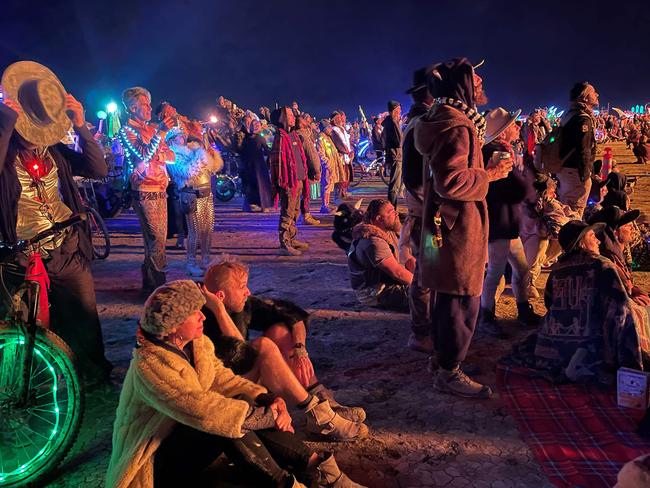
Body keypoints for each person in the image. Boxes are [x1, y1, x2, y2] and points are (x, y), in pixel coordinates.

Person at [106, 280, 365, 488]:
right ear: (173, 326)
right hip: (154, 457)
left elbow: (224, 378)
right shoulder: (150, 365)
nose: (202, 317)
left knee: (239, 405)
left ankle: (315, 467)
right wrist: (267, 416)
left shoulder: (196, 343)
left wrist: (268, 400)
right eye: (194, 313)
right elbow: (201, 409)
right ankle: (284, 482)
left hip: (185, 432)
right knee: (222, 422)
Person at [0, 61, 112, 383]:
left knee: (83, 315)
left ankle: (91, 375)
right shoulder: (6, 151)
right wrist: (6, 123)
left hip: (66, 246)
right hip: (20, 252)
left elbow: (97, 169)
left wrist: (81, 126)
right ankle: (31, 384)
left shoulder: (57, 153)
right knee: (23, 323)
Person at [414, 58, 512, 398]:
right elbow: (451, 182)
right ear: (462, 85)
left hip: (445, 225)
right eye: (475, 77)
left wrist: (482, 164)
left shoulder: (448, 119)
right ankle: (449, 371)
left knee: (447, 297)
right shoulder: (458, 125)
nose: (482, 81)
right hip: (456, 229)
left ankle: (443, 361)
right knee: (462, 300)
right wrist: (491, 175)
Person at [200, 262, 367, 441]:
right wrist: (218, 310)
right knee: (263, 346)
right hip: (222, 390)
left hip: (242, 375)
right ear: (219, 296)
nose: (247, 292)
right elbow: (241, 353)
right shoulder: (199, 316)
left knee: (279, 330)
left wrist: (300, 350)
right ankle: (320, 415)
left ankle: (321, 400)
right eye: (242, 287)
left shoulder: (241, 304)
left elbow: (294, 316)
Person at [533, 221, 645, 383]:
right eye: (592, 236)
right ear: (582, 242)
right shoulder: (603, 265)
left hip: (553, 347)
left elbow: (549, 303)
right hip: (592, 345)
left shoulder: (557, 269)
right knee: (633, 315)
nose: (599, 241)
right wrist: (631, 360)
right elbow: (621, 310)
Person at [479, 107, 541, 336]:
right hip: (500, 220)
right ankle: (487, 315)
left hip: (505, 220)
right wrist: (524, 174)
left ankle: (522, 309)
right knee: (496, 271)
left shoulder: (497, 151)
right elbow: (517, 189)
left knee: (520, 268)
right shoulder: (499, 154)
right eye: (513, 125)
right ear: (502, 132)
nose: (517, 128)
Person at [118, 86, 176, 291]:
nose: (150, 108)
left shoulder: (152, 129)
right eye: (145, 104)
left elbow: (171, 156)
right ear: (133, 108)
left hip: (160, 188)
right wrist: (160, 136)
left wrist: (159, 150)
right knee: (156, 239)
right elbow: (142, 154)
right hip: (144, 190)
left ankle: (150, 283)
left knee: (156, 240)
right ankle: (158, 286)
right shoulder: (127, 130)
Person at [402, 66, 434, 353]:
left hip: (424, 212)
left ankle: (424, 327)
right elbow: (414, 176)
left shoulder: (417, 119)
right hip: (426, 215)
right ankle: (421, 331)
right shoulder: (421, 122)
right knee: (427, 271)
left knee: (429, 270)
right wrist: (434, 204)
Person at [167, 131, 222, 276]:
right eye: (179, 135)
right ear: (171, 140)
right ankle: (191, 262)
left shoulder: (192, 151)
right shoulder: (171, 155)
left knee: (207, 229)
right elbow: (186, 172)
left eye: (183, 135)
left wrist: (211, 154)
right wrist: (199, 154)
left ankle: (205, 259)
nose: (183, 137)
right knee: (194, 232)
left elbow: (214, 167)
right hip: (190, 195)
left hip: (206, 193)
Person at [347, 199, 412, 310]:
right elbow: (397, 272)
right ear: (379, 219)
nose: (396, 213)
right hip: (375, 292)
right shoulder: (372, 241)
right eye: (391, 211)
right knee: (430, 298)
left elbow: (408, 258)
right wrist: (422, 285)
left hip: (388, 282)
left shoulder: (388, 230)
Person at [589, 206, 650, 307]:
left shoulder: (617, 255)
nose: (633, 228)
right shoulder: (609, 262)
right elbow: (624, 305)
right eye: (627, 225)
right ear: (615, 233)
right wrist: (643, 297)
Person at [269, 106, 309, 256]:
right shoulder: (280, 137)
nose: (294, 117)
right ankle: (284, 243)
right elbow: (278, 162)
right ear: (283, 119)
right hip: (289, 182)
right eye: (290, 115)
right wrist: (282, 183)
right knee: (287, 212)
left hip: (298, 180)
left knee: (295, 212)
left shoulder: (293, 135)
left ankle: (292, 238)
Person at [556, 82, 598, 216]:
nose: (597, 95)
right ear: (584, 97)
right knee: (574, 212)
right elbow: (583, 149)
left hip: (566, 169)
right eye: (593, 92)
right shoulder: (582, 119)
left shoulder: (570, 115)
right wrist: (586, 176)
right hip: (575, 172)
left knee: (566, 207)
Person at [240, 118, 274, 212]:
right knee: (252, 186)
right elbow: (243, 152)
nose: (255, 126)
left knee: (261, 185)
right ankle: (253, 204)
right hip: (251, 166)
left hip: (259, 166)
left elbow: (267, 151)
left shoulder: (260, 138)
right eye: (253, 125)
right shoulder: (246, 139)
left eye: (257, 125)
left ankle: (263, 205)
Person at [294, 113, 322, 225]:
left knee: (304, 193)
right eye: (304, 120)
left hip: (303, 167)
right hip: (306, 168)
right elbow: (311, 154)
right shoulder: (302, 135)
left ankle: (306, 213)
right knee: (305, 193)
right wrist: (316, 170)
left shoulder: (303, 133)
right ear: (300, 124)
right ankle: (305, 215)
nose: (308, 121)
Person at [317, 120, 344, 214]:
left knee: (329, 186)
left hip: (331, 167)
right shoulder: (321, 138)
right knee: (326, 186)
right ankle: (324, 206)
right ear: (324, 128)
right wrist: (327, 164)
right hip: (326, 168)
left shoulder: (327, 138)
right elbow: (320, 154)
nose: (330, 129)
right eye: (328, 127)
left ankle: (327, 204)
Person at [382, 100, 403, 208]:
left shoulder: (389, 122)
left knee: (395, 184)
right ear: (394, 110)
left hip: (393, 155)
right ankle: (392, 210)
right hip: (396, 156)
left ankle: (393, 209)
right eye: (399, 109)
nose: (400, 111)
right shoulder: (393, 122)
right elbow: (399, 141)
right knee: (395, 186)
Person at [330, 111, 353, 199]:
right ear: (334, 120)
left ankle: (343, 192)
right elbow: (338, 143)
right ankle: (337, 195)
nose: (340, 119)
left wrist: (351, 150)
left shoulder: (342, 128)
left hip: (346, 156)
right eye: (338, 118)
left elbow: (347, 141)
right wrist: (346, 151)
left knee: (346, 175)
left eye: (340, 118)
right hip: (340, 156)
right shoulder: (334, 130)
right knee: (340, 176)